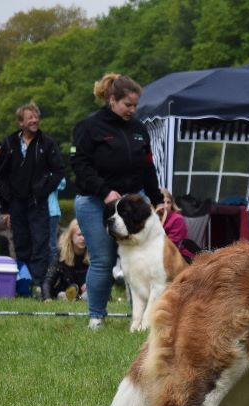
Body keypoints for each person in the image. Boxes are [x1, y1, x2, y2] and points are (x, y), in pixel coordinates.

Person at [71, 73, 164, 330]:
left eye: (135, 106)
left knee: (142, 258)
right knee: (104, 260)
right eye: (128, 105)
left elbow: (148, 169)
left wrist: (157, 200)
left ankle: (143, 318)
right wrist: (104, 192)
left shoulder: (138, 129)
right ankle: (96, 317)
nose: (132, 110)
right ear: (112, 100)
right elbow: (79, 165)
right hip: (95, 202)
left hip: (134, 202)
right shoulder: (89, 127)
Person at [0, 103, 66, 293]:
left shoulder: (47, 143)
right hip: (16, 203)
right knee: (20, 242)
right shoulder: (9, 143)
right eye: (30, 118)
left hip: (38, 203)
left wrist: (43, 189)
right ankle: (22, 283)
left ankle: (39, 285)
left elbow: (59, 170)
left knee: (41, 243)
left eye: (36, 117)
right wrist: (7, 200)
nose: (34, 120)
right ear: (21, 122)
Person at [41, 219, 88, 301]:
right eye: (79, 235)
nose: (83, 238)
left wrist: (92, 284)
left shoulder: (95, 254)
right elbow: (49, 279)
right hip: (65, 291)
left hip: (88, 292)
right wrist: (47, 298)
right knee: (62, 294)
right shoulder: (61, 255)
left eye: (85, 235)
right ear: (71, 236)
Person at [158, 187, 196, 262]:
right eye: (162, 202)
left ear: (172, 204)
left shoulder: (177, 219)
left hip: (181, 257)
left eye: (168, 202)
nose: (165, 206)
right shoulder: (153, 219)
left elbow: (171, 246)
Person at [47, 176, 67, 264]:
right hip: (36, 212)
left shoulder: (53, 170)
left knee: (52, 244)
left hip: (52, 212)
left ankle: (53, 270)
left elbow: (62, 184)